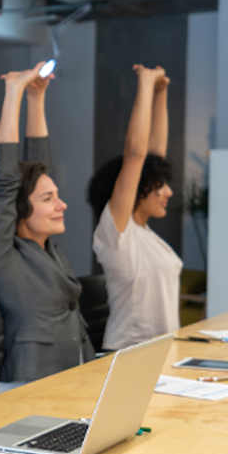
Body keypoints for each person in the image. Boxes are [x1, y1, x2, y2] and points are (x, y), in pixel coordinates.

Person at [0, 62, 95, 394]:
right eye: (49, 198)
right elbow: (4, 184)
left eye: (58, 196)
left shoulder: (45, 251)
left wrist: (36, 99)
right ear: (21, 209)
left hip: (68, 381)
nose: (62, 204)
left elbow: (38, 167)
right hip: (28, 391)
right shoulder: (1, 257)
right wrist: (13, 92)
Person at [87, 65, 180, 351]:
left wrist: (161, 93)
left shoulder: (143, 233)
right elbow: (137, 154)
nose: (169, 192)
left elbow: (152, 158)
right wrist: (145, 82)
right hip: (128, 355)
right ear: (137, 190)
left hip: (161, 352)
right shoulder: (116, 235)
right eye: (159, 185)